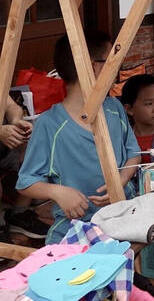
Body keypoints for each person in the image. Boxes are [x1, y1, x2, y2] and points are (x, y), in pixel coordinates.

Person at [16, 32, 141, 244]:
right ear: (94, 67)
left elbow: (133, 153)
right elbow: (26, 182)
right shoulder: (50, 124)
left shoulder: (114, 108)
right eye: (112, 61)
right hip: (74, 233)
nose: (116, 68)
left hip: (123, 222)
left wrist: (119, 181)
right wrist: (58, 192)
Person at [0, 95, 50, 240]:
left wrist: (16, 121)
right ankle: (1, 227)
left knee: (34, 145)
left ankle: (19, 213)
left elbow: (11, 106)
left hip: (4, 147)